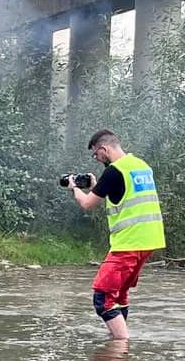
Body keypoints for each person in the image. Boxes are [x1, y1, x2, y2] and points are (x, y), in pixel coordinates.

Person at [68, 129, 166, 340]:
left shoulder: (114, 171)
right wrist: (97, 186)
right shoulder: (141, 166)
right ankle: (118, 346)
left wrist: (74, 187)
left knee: (102, 297)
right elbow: (122, 196)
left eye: (96, 154)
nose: (97, 158)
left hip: (128, 243)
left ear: (104, 149)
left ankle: (121, 348)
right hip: (149, 240)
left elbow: (86, 204)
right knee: (119, 294)